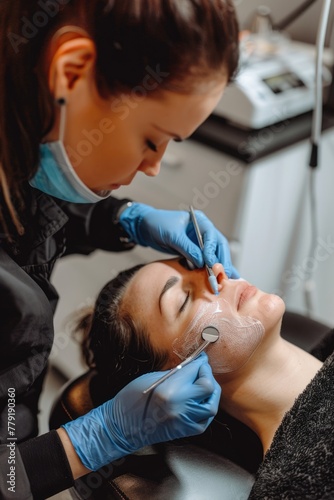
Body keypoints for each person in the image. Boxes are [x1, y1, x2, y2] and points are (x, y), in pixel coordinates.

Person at [0, 1, 240, 498]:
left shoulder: (20, 139)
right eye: (152, 140)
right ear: (73, 73)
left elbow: (33, 208)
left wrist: (125, 219)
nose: (154, 166)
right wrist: (95, 438)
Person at [73, 257, 334, 498]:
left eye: (196, 263)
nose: (216, 272)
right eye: (184, 299)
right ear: (175, 378)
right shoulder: (294, 485)